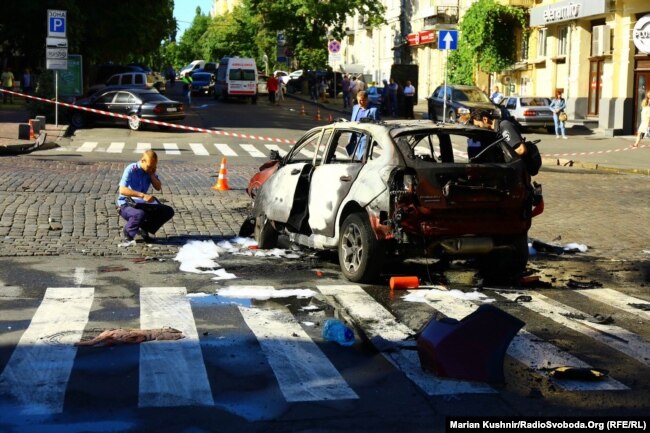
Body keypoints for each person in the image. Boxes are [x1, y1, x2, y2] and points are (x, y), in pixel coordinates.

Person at [117, 150, 174, 244]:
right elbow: (122, 190)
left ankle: (144, 229)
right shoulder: (131, 169)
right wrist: (142, 195)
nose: (151, 169)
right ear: (142, 161)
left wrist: (152, 174)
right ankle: (128, 233)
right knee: (140, 214)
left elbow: (158, 187)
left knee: (167, 211)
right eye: (149, 166)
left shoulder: (150, 171)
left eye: (153, 167)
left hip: (141, 203)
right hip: (126, 204)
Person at [471, 108, 541, 175]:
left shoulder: (504, 125)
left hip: (516, 174)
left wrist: (502, 161)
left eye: (478, 125)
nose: (479, 128)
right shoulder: (494, 132)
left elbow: (521, 149)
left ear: (485, 119)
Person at [347, 91, 380, 160]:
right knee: (357, 157)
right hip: (356, 137)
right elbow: (352, 121)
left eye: (363, 100)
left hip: (365, 138)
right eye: (359, 101)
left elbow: (378, 125)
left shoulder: (373, 110)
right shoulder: (355, 107)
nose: (361, 102)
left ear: (367, 99)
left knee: (363, 157)